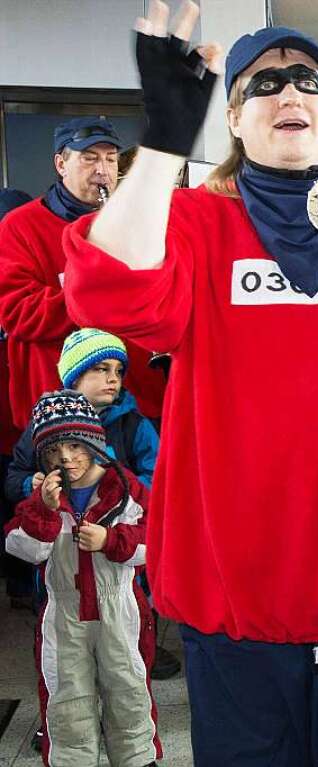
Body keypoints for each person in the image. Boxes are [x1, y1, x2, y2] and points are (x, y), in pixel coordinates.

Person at [62, 6, 318, 766]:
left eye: (307, 80)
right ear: (233, 116)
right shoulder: (194, 222)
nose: (289, 93)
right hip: (238, 578)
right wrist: (163, 136)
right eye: (264, 83)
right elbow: (109, 292)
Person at [4, 389, 160, 767]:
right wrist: (43, 511)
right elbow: (20, 546)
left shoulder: (123, 490)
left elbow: (156, 545)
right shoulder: (44, 496)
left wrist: (111, 540)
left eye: (75, 444)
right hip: (63, 615)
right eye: (53, 450)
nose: (66, 458)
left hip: (120, 610)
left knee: (129, 691)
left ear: (94, 441)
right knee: (66, 698)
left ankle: (138, 759)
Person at [0, 118, 166, 429]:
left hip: (139, 402)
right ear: (61, 164)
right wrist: (97, 296)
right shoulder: (19, 226)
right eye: (89, 158)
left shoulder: (136, 223)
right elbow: (18, 311)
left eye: (111, 158)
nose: (102, 170)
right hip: (60, 405)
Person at [6, 328, 159, 501]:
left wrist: (118, 493)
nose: (113, 379)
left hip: (120, 524)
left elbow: (157, 478)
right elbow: (14, 478)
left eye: (118, 371)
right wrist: (29, 484)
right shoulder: (45, 421)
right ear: (75, 377)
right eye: (102, 369)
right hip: (58, 523)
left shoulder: (135, 424)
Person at [0, 187, 35, 609]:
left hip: (20, 414)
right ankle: (20, 582)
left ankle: (22, 583)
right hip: (15, 414)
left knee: (20, 493)